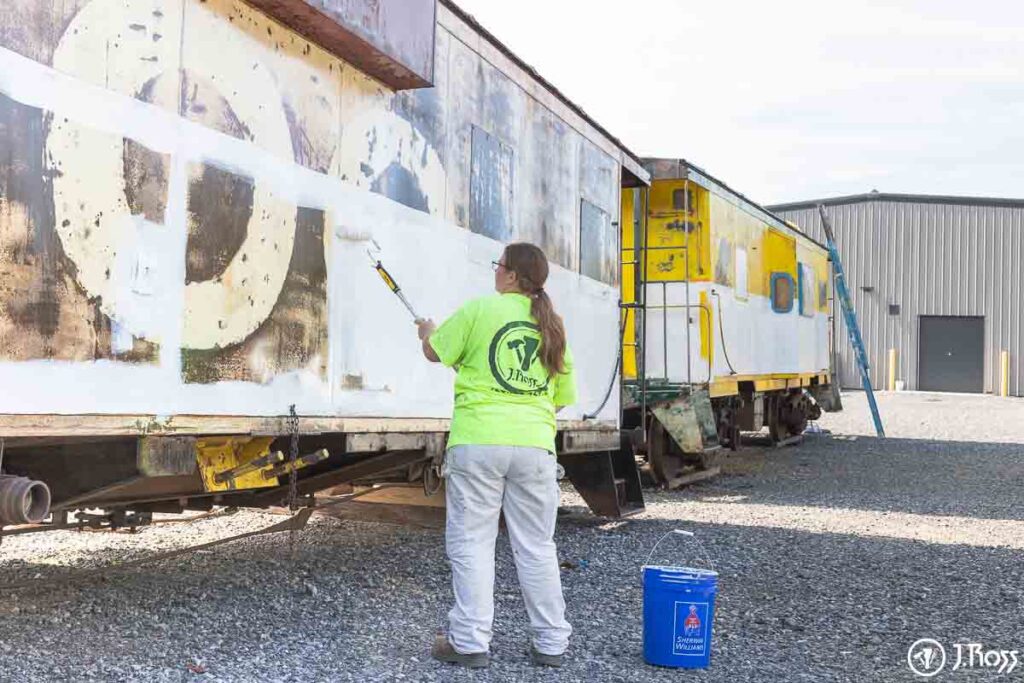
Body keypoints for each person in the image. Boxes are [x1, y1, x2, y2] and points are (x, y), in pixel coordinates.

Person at [415, 242, 576, 669]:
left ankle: (470, 643)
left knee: (473, 542)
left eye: (498, 265)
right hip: (535, 447)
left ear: (511, 275)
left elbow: (435, 352)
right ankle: (551, 644)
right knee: (537, 546)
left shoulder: (480, 310)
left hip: (479, 442)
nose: (495, 271)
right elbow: (562, 397)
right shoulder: (553, 326)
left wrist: (428, 332)